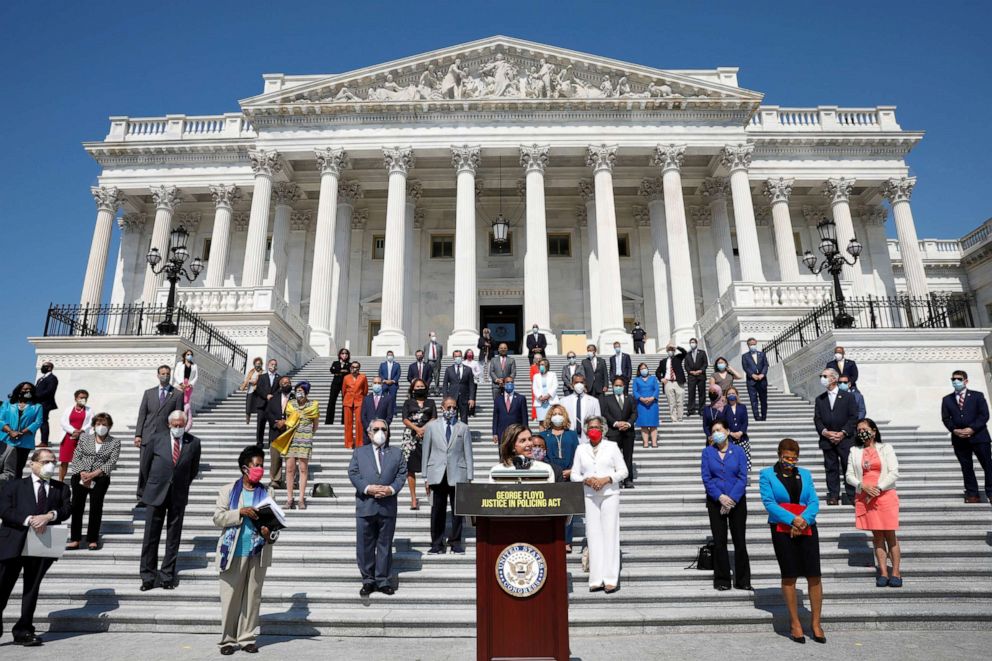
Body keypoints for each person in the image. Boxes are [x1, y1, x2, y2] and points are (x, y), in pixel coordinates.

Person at [0, 447, 71, 646]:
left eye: (53, 461)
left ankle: (24, 630)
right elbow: (4, 510)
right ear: (33, 463)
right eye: (45, 461)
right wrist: (29, 519)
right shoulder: (14, 486)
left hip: (41, 545)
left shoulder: (61, 488)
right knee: (2, 585)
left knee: (31, 588)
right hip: (13, 542)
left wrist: (50, 516)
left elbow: (66, 509)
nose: (50, 465)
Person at [213, 445, 279, 655]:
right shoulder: (228, 490)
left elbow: (275, 524)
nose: (260, 469)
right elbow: (218, 518)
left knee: (253, 597)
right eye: (256, 465)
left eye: (262, 465)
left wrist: (270, 533)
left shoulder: (267, 491)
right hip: (233, 551)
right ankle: (227, 640)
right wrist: (239, 512)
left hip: (258, 552)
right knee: (230, 598)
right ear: (245, 468)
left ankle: (247, 637)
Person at [759, 438, 825, 644]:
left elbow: (813, 500)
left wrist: (804, 520)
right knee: (789, 574)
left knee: (814, 574)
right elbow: (769, 503)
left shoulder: (805, 474)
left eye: (794, 458)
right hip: (782, 528)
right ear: (779, 455)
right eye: (787, 458)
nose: (791, 461)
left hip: (806, 527)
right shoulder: (767, 474)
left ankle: (815, 623)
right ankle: (795, 622)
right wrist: (792, 520)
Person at [139, 410, 201, 591]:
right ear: (169, 424)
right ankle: (148, 576)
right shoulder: (156, 439)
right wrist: (151, 485)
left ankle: (167, 576)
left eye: (181, 425)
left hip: (178, 495)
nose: (178, 428)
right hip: (156, 492)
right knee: (151, 536)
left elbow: (193, 469)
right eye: (175, 425)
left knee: (173, 537)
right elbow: (145, 465)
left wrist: (181, 484)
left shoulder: (194, 442)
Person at [349, 419, 407, 597]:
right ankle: (368, 580)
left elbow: (401, 474)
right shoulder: (359, 452)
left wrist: (390, 489)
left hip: (387, 505)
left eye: (384, 429)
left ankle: (383, 580)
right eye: (376, 429)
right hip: (366, 504)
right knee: (365, 545)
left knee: (385, 544)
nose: (380, 432)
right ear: (369, 433)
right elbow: (353, 473)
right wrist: (368, 488)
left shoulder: (397, 453)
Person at [570, 416, 627, 593]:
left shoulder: (612, 447)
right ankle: (596, 578)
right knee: (593, 535)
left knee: (609, 534)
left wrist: (607, 479)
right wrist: (586, 480)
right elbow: (574, 474)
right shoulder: (581, 449)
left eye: (596, 427)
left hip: (609, 493)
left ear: (602, 429)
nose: (593, 430)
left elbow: (623, 471)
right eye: (590, 427)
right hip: (590, 495)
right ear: (586, 430)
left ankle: (610, 578)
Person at [846, 418, 902, 587]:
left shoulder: (886, 448)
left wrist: (877, 488)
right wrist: (862, 486)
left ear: (874, 430)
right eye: (859, 429)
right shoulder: (855, 450)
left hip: (884, 495)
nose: (861, 432)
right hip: (865, 496)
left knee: (890, 535)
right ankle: (883, 572)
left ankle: (896, 573)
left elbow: (894, 472)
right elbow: (849, 475)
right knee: (877, 536)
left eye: (865, 429)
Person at [701, 420, 751, 591]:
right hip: (716, 502)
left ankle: (743, 580)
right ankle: (722, 579)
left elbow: (743, 477)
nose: (716, 433)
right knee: (720, 541)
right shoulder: (707, 452)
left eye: (719, 429)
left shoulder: (738, 451)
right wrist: (720, 497)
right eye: (713, 430)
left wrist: (731, 499)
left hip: (736, 502)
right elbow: (706, 478)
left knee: (739, 540)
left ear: (728, 431)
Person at [422, 397, 473, 554]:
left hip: (457, 473)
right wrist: (425, 477)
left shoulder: (462, 428)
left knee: (458, 511)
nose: (451, 410)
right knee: (437, 510)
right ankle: (437, 543)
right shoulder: (431, 427)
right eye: (449, 407)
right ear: (442, 408)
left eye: (454, 407)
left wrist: (469, 476)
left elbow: (468, 453)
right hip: (437, 473)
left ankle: (456, 542)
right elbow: (426, 451)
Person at [66, 412, 120, 550]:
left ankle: (92, 539)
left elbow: (112, 461)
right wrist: (83, 472)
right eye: (98, 424)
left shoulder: (114, 442)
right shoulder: (84, 438)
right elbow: (76, 456)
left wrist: (95, 473)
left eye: (104, 424)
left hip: (100, 478)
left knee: (96, 508)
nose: (101, 426)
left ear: (109, 426)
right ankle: (75, 538)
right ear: (94, 425)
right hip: (80, 476)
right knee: (77, 507)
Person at [941, 370, 992, 504]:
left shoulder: (977, 396)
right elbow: (946, 418)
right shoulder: (947, 399)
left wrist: (972, 428)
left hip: (980, 437)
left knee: (988, 465)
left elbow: (984, 415)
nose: (956, 382)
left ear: (966, 381)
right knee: (966, 467)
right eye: (953, 379)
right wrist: (954, 430)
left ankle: (990, 492)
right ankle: (972, 494)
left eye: (959, 379)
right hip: (959, 439)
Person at [134, 365, 184, 501]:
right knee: (144, 466)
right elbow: (142, 414)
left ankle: (157, 494)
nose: (165, 376)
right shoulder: (149, 393)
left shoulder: (177, 394)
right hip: (147, 435)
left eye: (167, 374)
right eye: (162, 373)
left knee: (160, 467)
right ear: (157, 375)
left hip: (165, 437)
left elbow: (178, 416)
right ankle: (141, 495)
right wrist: (138, 434)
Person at [814, 367, 858, 505]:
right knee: (831, 468)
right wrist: (825, 432)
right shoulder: (820, 399)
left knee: (847, 467)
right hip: (828, 440)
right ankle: (833, 495)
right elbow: (817, 419)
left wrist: (843, 433)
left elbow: (853, 417)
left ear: (834, 378)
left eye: (825, 376)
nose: (822, 378)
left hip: (845, 440)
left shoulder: (848, 397)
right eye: (822, 376)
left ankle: (851, 495)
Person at [539, 406, 580, 550]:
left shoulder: (572, 434)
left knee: (568, 508)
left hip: (569, 474)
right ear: (550, 416)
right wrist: (553, 471)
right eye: (554, 414)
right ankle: (551, 539)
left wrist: (572, 470)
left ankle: (567, 541)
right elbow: (541, 455)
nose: (557, 416)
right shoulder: (544, 435)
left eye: (560, 414)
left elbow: (578, 455)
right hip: (551, 474)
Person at [276, 382, 319, 510]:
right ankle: (289, 498)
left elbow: (315, 425)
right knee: (289, 468)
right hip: (292, 438)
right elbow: (288, 420)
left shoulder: (313, 405)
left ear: (306, 392)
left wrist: (308, 434)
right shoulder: (291, 405)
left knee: (303, 468)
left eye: (301, 390)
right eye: (297, 390)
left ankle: (301, 499)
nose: (299, 393)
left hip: (305, 439)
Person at [400, 379, 435, 510]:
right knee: (410, 468)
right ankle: (413, 498)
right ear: (413, 389)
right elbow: (404, 418)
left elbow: (434, 417)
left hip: (427, 434)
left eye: (422, 386)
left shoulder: (430, 402)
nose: (420, 388)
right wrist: (416, 429)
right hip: (410, 437)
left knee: (430, 465)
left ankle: (430, 493)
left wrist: (423, 428)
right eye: (417, 386)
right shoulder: (408, 402)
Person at [1, 383, 43, 479]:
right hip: (6, 440)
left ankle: (15, 490)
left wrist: (22, 432)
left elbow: (38, 422)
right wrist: (10, 431)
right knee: (3, 466)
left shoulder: (37, 406)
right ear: (19, 390)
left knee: (18, 468)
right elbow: (1, 419)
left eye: (30, 389)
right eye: (25, 389)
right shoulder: (8, 404)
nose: (27, 391)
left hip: (24, 442)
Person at [602, 377, 637, 488]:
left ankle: (627, 479)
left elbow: (634, 413)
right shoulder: (607, 399)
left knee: (627, 456)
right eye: (616, 385)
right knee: (613, 457)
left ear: (624, 386)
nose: (618, 387)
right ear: (613, 386)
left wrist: (628, 424)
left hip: (628, 433)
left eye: (620, 385)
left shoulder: (630, 398)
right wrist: (616, 423)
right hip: (614, 432)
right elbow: (605, 413)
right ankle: (616, 479)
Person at [489, 424, 554, 482]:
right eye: (523, 441)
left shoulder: (546, 469)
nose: (529, 444)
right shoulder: (497, 471)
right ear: (512, 446)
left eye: (530, 439)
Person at [58, 389, 92, 482]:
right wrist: (73, 431)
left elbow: (91, 422)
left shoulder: (89, 410)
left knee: (81, 461)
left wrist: (81, 430)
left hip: (82, 438)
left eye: (85, 398)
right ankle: (60, 481)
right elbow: (63, 422)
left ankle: (80, 481)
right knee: (64, 461)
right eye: (81, 397)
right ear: (76, 398)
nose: (83, 399)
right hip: (68, 438)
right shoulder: (68, 409)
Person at [264, 376, 293, 487]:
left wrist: (286, 422)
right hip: (275, 431)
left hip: (289, 431)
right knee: (275, 457)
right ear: (280, 385)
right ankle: (276, 479)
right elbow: (268, 413)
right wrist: (276, 423)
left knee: (291, 458)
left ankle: (292, 481)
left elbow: (298, 413)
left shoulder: (295, 398)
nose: (287, 384)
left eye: (289, 383)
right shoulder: (274, 398)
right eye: (285, 383)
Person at [561, 374, 601, 442]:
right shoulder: (563, 401)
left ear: (584, 384)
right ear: (572, 384)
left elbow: (598, 420)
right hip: (569, 436)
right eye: (576, 382)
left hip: (588, 437)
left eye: (581, 382)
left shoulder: (594, 401)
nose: (579, 384)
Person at [656, 343, 687, 423]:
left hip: (678, 382)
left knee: (680, 401)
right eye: (669, 350)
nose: (670, 351)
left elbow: (685, 352)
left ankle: (680, 418)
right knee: (671, 402)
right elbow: (657, 372)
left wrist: (676, 347)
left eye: (672, 350)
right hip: (668, 382)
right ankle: (674, 419)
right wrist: (661, 379)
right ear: (667, 351)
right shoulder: (663, 361)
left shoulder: (678, 358)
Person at [443, 350, 476, 424]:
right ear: (453, 358)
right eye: (456, 356)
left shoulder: (468, 369)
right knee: (452, 418)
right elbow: (445, 385)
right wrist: (445, 398)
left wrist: (471, 398)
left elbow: (471, 385)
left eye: (459, 356)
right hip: (452, 397)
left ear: (462, 357)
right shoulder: (449, 370)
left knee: (464, 419)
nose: (458, 358)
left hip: (464, 397)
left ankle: (463, 434)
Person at [252, 359, 280, 447]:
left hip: (272, 406)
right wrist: (266, 395)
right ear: (268, 365)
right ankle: (259, 443)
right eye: (272, 364)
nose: (273, 366)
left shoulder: (279, 378)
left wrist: (273, 396)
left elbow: (279, 390)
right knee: (260, 424)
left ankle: (271, 442)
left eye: (275, 364)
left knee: (273, 425)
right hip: (262, 405)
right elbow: (258, 389)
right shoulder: (262, 377)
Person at [492, 375, 528, 444]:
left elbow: (524, 417)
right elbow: (495, 417)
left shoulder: (520, 398)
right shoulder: (498, 399)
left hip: (516, 433)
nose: (510, 384)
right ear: (503, 384)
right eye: (508, 382)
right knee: (502, 453)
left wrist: (525, 432)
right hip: (502, 433)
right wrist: (494, 433)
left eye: (511, 382)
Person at [361, 376, 395, 446]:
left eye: (379, 383)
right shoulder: (366, 398)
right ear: (372, 384)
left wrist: (382, 427)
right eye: (375, 383)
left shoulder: (388, 398)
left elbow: (389, 416)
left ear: (382, 384)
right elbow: (363, 416)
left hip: (383, 432)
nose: (377, 385)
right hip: (368, 434)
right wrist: (368, 428)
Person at [342, 362, 369, 450]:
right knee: (348, 422)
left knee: (359, 422)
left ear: (359, 368)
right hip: (348, 400)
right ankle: (349, 443)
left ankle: (359, 442)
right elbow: (343, 390)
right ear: (350, 368)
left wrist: (361, 397)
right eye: (353, 367)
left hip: (359, 400)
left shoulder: (363, 377)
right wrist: (346, 398)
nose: (355, 369)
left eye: (357, 367)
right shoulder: (346, 377)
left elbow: (365, 390)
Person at [632, 363, 660, 448]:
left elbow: (657, 389)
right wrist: (641, 399)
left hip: (653, 404)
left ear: (647, 369)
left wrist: (652, 398)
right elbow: (635, 391)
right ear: (639, 371)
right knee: (643, 424)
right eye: (641, 369)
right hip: (641, 404)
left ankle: (654, 442)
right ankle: (646, 442)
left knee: (653, 424)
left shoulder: (653, 378)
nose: (644, 370)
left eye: (645, 368)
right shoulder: (636, 380)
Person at [723, 386, 751, 470]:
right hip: (729, 439)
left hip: (742, 438)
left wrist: (741, 432)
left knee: (743, 460)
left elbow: (745, 422)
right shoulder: (724, 408)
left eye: (733, 393)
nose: (731, 395)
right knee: (731, 461)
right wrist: (730, 433)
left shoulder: (742, 407)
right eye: (729, 394)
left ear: (737, 395)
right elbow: (723, 423)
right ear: (726, 396)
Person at [741, 338, 769, 422]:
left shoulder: (762, 354)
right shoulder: (745, 356)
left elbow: (766, 365)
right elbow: (745, 367)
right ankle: (757, 417)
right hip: (751, 381)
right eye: (751, 344)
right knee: (753, 400)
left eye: (754, 344)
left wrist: (762, 374)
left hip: (762, 380)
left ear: (756, 344)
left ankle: (764, 417)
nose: (753, 345)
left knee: (763, 399)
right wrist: (752, 375)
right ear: (748, 345)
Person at [34, 362, 58, 448]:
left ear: (49, 368)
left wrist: (37, 396)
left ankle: (44, 441)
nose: (42, 368)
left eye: (44, 366)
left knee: (43, 421)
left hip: (45, 403)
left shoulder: (52, 378)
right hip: (37, 403)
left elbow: (49, 391)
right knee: (36, 421)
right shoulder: (41, 379)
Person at [325, 348, 351, 425]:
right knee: (331, 401)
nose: (344, 355)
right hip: (335, 384)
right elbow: (332, 370)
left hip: (345, 384)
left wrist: (339, 371)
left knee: (345, 402)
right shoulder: (335, 363)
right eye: (342, 353)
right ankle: (329, 422)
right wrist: (341, 371)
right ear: (340, 355)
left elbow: (349, 371)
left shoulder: (349, 364)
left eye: (346, 354)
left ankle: (344, 421)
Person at [173, 350, 198, 429]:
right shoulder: (180, 364)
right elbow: (175, 374)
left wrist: (191, 384)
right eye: (188, 354)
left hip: (188, 386)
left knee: (186, 401)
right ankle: (177, 415)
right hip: (179, 385)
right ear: (184, 355)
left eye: (191, 354)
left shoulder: (194, 366)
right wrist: (180, 383)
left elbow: (196, 376)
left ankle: (185, 417)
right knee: (179, 400)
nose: (189, 356)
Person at [684, 338, 708, 417]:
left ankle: (702, 409)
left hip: (701, 375)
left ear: (696, 343)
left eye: (693, 342)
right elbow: (686, 365)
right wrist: (690, 371)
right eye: (691, 342)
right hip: (691, 376)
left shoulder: (702, 353)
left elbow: (705, 363)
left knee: (702, 393)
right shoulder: (687, 354)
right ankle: (691, 410)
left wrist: (700, 370)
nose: (692, 344)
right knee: (691, 393)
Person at [532, 358, 559, 423]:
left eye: (543, 364)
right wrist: (540, 397)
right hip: (540, 401)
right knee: (542, 422)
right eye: (540, 364)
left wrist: (548, 395)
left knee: (552, 421)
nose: (541, 366)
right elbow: (534, 387)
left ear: (547, 366)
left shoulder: (553, 374)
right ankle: (542, 433)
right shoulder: (536, 376)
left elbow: (555, 385)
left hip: (551, 401)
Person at [239, 357, 263, 425]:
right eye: (257, 363)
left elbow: (262, 381)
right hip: (250, 390)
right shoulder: (251, 372)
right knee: (248, 406)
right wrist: (250, 381)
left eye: (259, 363)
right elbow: (246, 380)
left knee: (259, 407)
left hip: (258, 391)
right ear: (254, 364)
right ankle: (247, 420)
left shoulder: (263, 372)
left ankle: (259, 420)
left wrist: (255, 381)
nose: (258, 365)